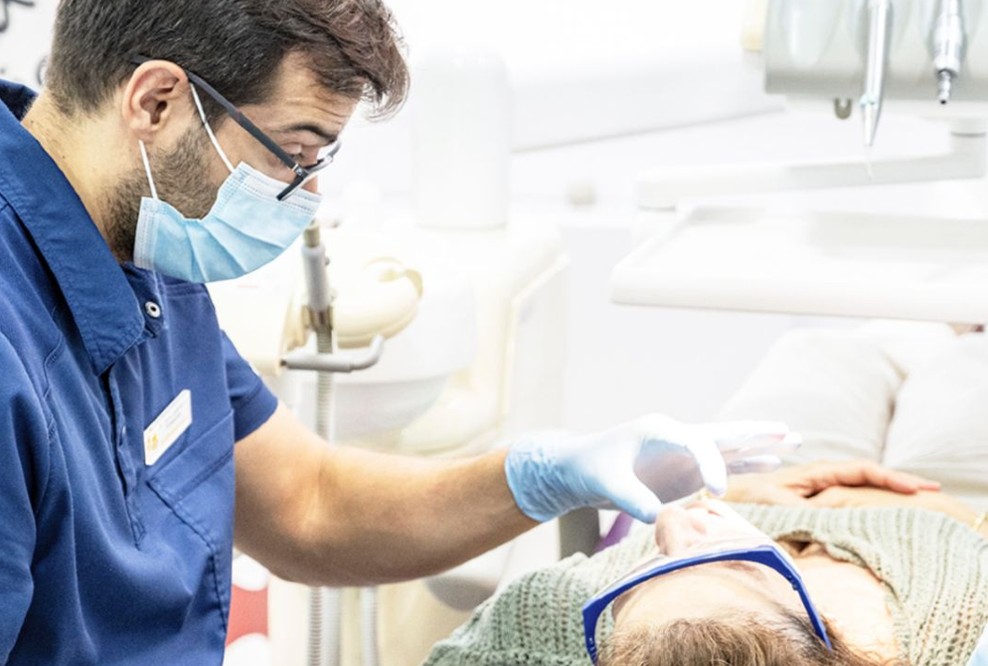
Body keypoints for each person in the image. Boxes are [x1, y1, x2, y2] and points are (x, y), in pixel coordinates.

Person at [0, 1, 792, 663]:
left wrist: (543, 477)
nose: (304, 196)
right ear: (155, 103)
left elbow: (307, 504)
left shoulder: (144, 243)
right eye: (293, 153)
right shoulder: (15, 346)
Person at [423, 462, 988, 666]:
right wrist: (949, 514)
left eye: (651, 568)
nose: (671, 526)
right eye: (723, 561)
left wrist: (737, 489)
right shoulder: (957, 624)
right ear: (823, 632)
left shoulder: (549, 620)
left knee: (811, 356)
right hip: (934, 500)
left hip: (763, 477)